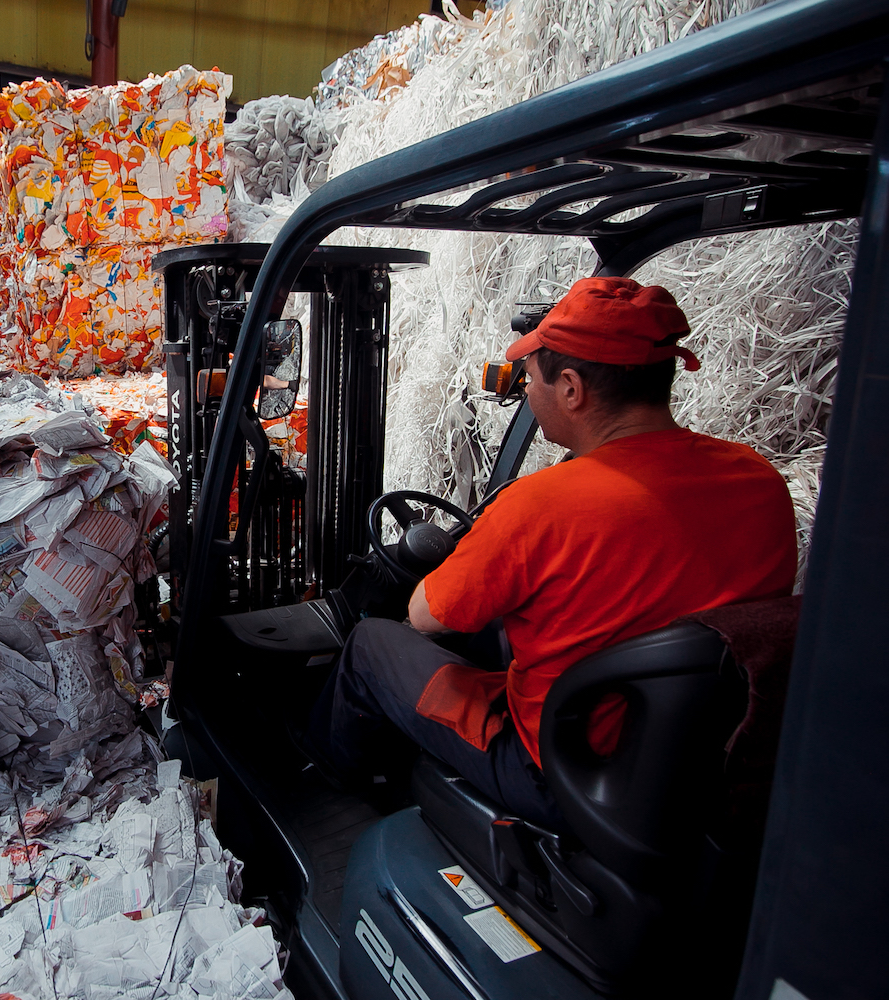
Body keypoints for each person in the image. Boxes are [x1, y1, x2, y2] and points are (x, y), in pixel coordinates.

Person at [303, 277, 797, 829]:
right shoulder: (758, 482)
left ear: (571, 388)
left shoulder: (541, 506)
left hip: (557, 771)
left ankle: (328, 797)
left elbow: (427, 615)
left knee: (373, 642)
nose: (528, 392)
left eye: (531, 377)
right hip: (697, 766)